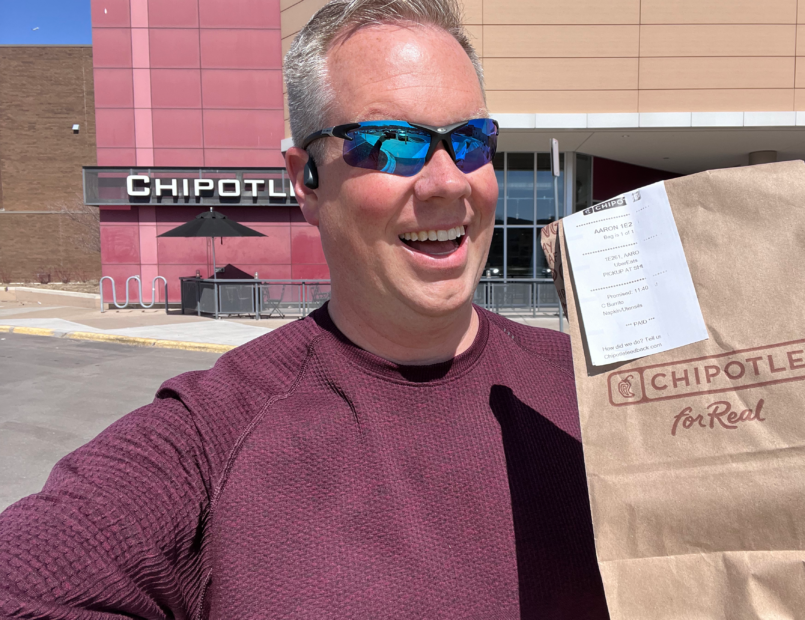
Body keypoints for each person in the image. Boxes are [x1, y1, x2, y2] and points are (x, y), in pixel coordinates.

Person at [0, 0, 609, 617]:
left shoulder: (600, 390)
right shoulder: (210, 439)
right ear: (305, 179)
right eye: (393, 143)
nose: (448, 182)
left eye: (471, 142)